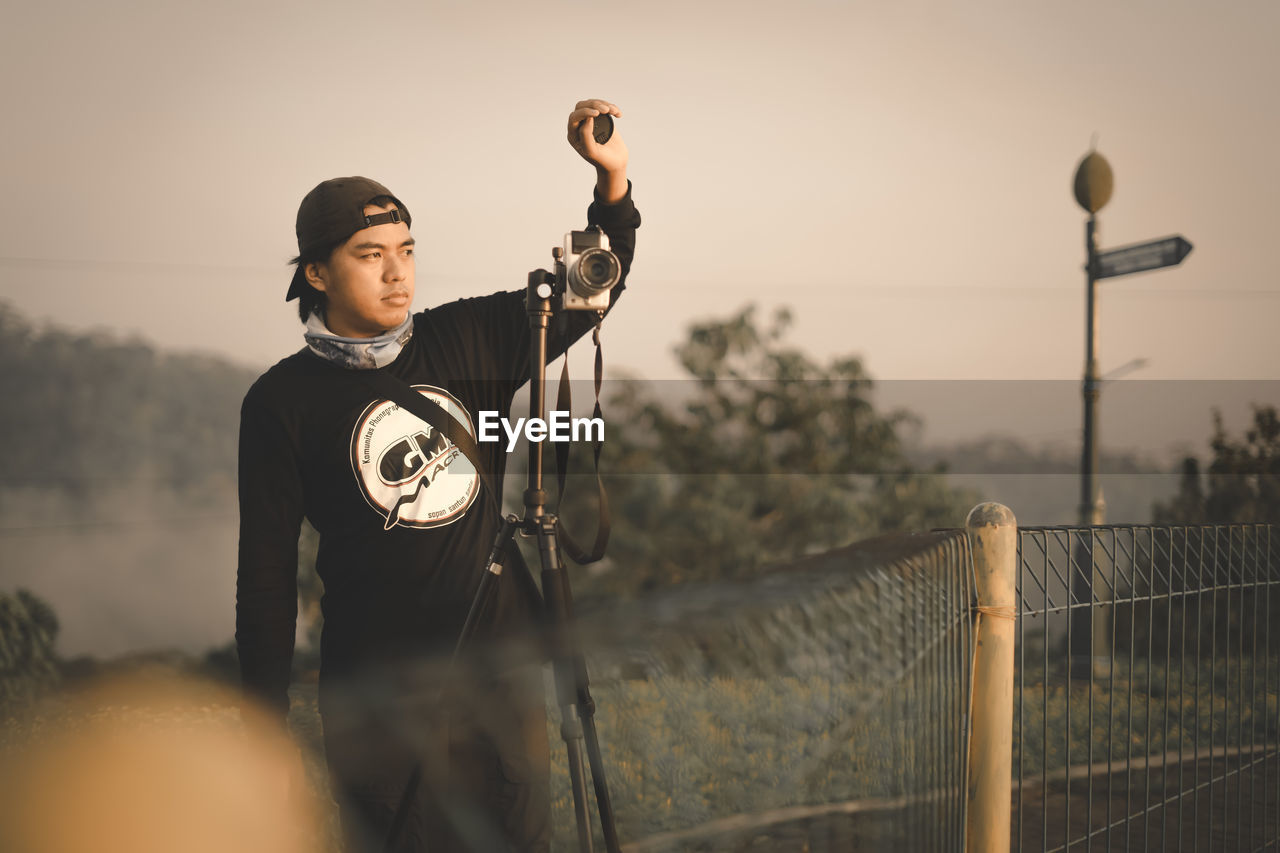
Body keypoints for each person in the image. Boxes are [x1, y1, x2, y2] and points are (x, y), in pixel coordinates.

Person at [235, 98, 639, 852]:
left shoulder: (465, 336)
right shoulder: (281, 402)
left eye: (408, 249)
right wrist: (264, 732)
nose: (398, 273)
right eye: (370, 254)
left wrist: (610, 181)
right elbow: (263, 580)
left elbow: (595, 289)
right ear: (317, 272)